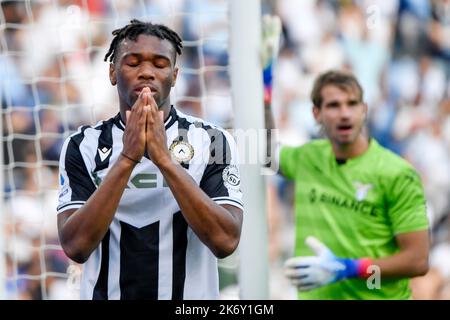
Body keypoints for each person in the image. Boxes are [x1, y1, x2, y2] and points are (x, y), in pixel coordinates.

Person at [56, 19, 243, 300]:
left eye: (159, 63)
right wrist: (127, 159)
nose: (146, 72)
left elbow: (225, 241)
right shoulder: (82, 145)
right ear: (112, 72)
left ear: (175, 75)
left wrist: (164, 160)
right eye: (133, 63)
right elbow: (76, 247)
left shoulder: (213, 140)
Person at [267, 70, 430, 299]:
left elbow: (418, 261)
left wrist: (349, 269)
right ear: (317, 114)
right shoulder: (308, 157)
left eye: (352, 104)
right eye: (334, 105)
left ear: (364, 111)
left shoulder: (397, 173)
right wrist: (264, 90)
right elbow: (262, 152)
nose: (345, 114)